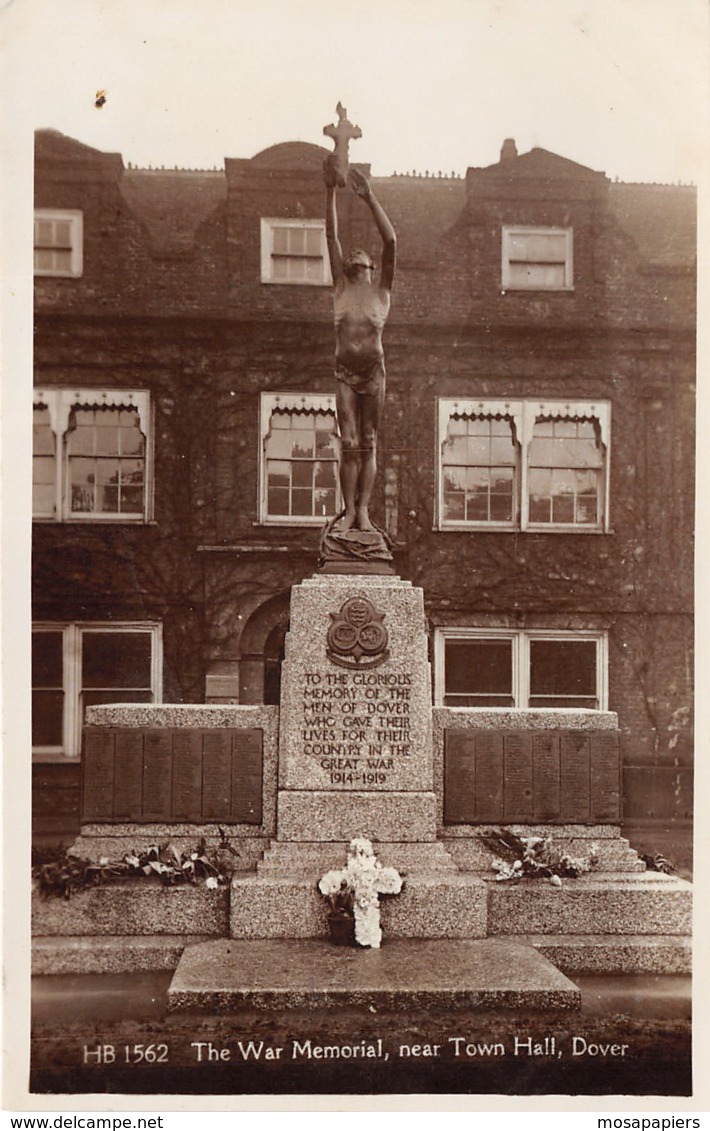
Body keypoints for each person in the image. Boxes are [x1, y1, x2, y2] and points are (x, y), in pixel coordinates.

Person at [324, 158, 396, 533]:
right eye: (350, 260)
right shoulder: (341, 288)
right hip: (345, 373)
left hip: (373, 373)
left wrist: (369, 198)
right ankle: (348, 511)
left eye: (362, 261)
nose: (354, 260)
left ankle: (363, 509)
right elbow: (331, 237)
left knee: (368, 439)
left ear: (371, 269)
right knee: (349, 440)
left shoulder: (381, 292)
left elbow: (391, 241)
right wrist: (328, 192)